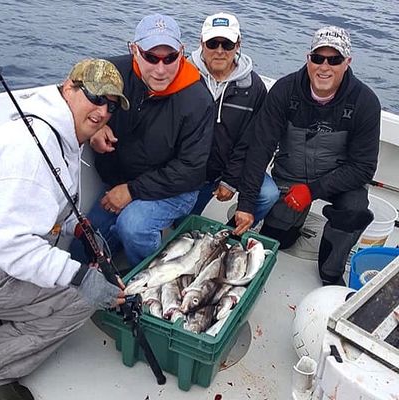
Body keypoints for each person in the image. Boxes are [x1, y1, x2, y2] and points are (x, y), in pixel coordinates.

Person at [0, 59, 128, 400]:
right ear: (69, 86)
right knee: (82, 299)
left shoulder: (60, 130)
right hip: (3, 264)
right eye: (96, 97)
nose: (102, 111)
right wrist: (81, 278)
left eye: (111, 105)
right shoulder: (31, 148)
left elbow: (45, 207)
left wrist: (77, 226)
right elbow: (12, 246)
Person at [236, 26, 380, 285]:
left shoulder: (365, 102)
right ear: (308, 59)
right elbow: (260, 148)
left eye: (334, 60)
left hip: (339, 181)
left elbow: (363, 167)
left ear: (347, 62)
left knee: (356, 209)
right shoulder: (284, 91)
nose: (325, 67)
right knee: (280, 241)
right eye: (318, 58)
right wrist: (246, 205)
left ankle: (330, 270)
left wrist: (312, 190)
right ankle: (289, 224)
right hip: (290, 178)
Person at [83, 14, 214, 268]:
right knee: (85, 239)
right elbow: (73, 94)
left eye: (170, 58)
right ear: (134, 50)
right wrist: (95, 127)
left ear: (182, 52)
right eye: (151, 57)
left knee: (133, 226)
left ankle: (149, 274)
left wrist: (132, 191)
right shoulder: (113, 73)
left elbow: (190, 169)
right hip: (120, 180)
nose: (161, 68)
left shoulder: (198, 100)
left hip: (175, 189)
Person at [189, 12, 279, 235]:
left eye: (227, 44)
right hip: (190, 170)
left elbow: (251, 142)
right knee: (182, 224)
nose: (220, 50)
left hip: (230, 167)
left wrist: (230, 180)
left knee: (268, 194)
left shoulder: (255, 88)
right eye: (213, 43)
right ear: (201, 43)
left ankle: (228, 235)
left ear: (238, 45)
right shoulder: (184, 76)